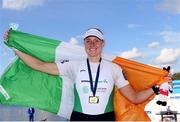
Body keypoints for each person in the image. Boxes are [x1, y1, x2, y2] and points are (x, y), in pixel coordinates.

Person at [4, 28, 159, 121]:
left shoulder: (114, 68)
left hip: (105, 118)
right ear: (84, 44)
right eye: (88, 41)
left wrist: (157, 88)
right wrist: (16, 48)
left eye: (96, 41)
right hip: (79, 117)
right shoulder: (74, 65)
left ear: (102, 44)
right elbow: (40, 65)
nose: (92, 44)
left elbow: (135, 98)